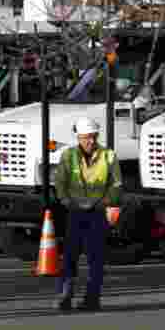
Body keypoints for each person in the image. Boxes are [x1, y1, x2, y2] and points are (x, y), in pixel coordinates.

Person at [54, 117, 121, 312]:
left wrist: (105, 202)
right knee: (69, 256)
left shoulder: (108, 156)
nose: (90, 141)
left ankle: (92, 298)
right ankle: (65, 295)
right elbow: (60, 182)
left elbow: (116, 185)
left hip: (97, 212)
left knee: (96, 257)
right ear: (78, 138)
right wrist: (66, 201)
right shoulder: (68, 155)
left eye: (92, 137)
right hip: (75, 211)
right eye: (85, 138)